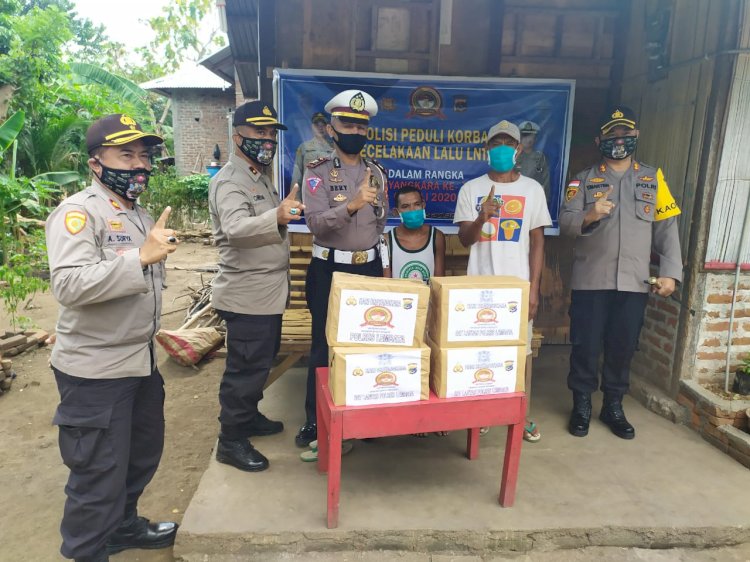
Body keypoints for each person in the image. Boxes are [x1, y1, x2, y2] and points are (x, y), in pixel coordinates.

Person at [46, 114, 179, 562]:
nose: (138, 164)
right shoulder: (79, 213)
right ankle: (87, 552)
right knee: (97, 476)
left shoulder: (136, 213)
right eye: (126, 154)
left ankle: (123, 527)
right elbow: (67, 285)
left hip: (139, 362)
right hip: (96, 371)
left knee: (141, 455)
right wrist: (139, 258)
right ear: (95, 163)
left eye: (143, 155)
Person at [559, 105, 682, 440]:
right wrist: (590, 214)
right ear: (600, 139)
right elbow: (566, 224)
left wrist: (670, 272)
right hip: (591, 280)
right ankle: (582, 404)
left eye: (625, 134)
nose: (619, 140)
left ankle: (613, 405)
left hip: (634, 281)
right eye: (612, 134)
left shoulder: (652, 178)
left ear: (635, 136)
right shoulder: (583, 180)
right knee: (585, 345)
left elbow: (667, 228)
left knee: (623, 345)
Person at [209, 100, 303, 472]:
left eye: (270, 134)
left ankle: (247, 418)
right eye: (259, 132)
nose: (267, 140)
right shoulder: (231, 181)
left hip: (265, 293)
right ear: (237, 137)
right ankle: (230, 441)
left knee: (259, 363)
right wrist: (276, 216)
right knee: (244, 370)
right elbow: (234, 230)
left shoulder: (257, 176)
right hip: (247, 295)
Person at [297, 89, 388, 451]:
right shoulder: (317, 173)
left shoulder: (377, 173)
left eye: (361, 125)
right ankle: (315, 422)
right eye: (346, 123)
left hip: (368, 270)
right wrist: (350, 207)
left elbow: (380, 223)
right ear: (331, 128)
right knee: (323, 347)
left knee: (366, 347)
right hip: (329, 272)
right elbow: (316, 224)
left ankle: (362, 419)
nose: (354, 130)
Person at [453, 119, 552, 443]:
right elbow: (465, 240)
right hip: (479, 285)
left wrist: (534, 288)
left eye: (507, 144)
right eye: (495, 144)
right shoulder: (472, 189)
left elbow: (538, 242)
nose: (501, 150)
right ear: (487, 150)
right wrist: (483, 216)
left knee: (519, 352)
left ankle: (519, 413)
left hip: (518, 287)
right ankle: (481, 410)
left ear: (518, 150)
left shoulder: (532, 190)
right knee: (478, 352)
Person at [384, 184, 446, 283]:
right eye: (405, 206)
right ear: (396, 212)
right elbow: (387, 283)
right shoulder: (387, 240)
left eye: (417, 204)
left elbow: (439, 283)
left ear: (423, 206)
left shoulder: (436, 236)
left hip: (427, 298)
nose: (412, 210)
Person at [291, 111, 334, 191]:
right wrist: (296, 199)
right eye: (317, 125)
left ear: (328, 127)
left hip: (329, 193)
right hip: (309, 194)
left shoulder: (335, 148)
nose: (320, 128)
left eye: (323, 125)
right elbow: (297, 177)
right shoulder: (304, 147)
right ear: (312, 127)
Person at [516, 120, 550, 199]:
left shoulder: (541, 158)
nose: (528, 139)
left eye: (531, 136)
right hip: (515, 198)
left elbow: (546, 182)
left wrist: (544, 201)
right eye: (525, 135)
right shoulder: (513, 156)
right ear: (520, 137)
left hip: (534, 199)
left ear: (536, 138)